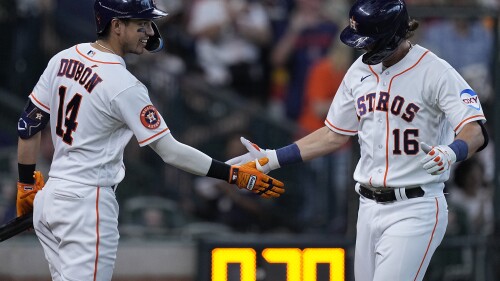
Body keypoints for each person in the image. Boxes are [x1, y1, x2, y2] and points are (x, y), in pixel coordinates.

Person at [14, 0, 285, 280]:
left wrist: (25, 184)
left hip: (52, 197)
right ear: (116, 26)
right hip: (87, 204)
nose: (150, 31)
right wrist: (232, 173)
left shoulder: (63, 58)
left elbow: (28, 125)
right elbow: (171, 152)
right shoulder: (125, 84)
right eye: (141, 24)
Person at [227, 0, 489, 280]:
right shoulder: (358, 71)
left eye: (369, 40)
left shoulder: (435, 71)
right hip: (367, 207)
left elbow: (475, 130)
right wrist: (273, 158)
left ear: (393, 35)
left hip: (414, 206)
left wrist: (451, 152)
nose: (363, 47)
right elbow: (333, 134)